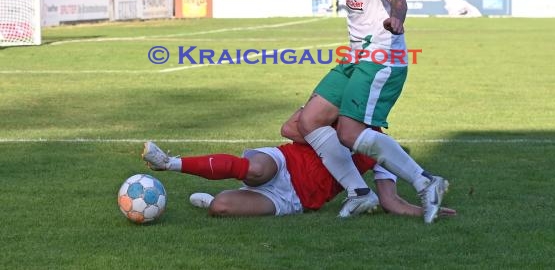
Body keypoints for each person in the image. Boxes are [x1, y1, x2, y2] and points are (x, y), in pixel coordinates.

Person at [294, 0, 449, 224]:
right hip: (355, 56)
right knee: (308, 121)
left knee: (349, 132)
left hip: (380, 58)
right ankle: (360, 193)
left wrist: (397, 17)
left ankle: (427, 183)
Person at [141, 109, 456, 219]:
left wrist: (423, 210)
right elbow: (289, 128)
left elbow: (391, 200)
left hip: (294, 199)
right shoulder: (331, 110)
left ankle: (214, 197)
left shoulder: (380, 147)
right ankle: (167, 163)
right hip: (281, 162)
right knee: (255, 169)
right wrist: (326, 133)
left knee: (221, 208)